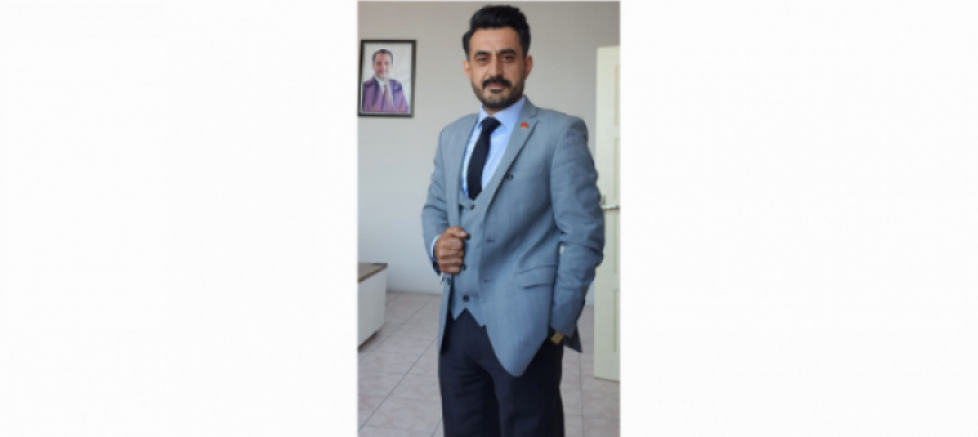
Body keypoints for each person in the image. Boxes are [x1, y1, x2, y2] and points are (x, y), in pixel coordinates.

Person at [421, 5, 604, 436]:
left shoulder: (559, 133)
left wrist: (557, 326)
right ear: (468, 67)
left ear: (527, 64)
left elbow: (584, 234)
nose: (495, 70)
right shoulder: (451, 136)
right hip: (456, 330)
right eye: (483, 58)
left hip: (529, 329)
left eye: (507, 57)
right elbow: (434, 208)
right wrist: (436, 244)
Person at [361, 48, 410, 113]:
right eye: (379, 63)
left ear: (391, 66)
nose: (383, 67)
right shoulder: (365, 87)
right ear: (373, 66)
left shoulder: (397, 85)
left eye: (386, 63)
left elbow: (405, 110)